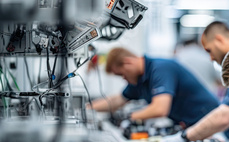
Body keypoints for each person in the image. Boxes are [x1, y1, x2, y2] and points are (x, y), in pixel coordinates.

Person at [156, 22, 229, 142]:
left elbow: (225, 117)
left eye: (209, 50)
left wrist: (184, 137)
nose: (211, 58)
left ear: (219, 39)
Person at [89, 47, 219, 126]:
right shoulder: (138, 80)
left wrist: (129, 117)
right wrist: (87, 108)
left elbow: (160, 108)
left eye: (122, 74)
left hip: (211, 121)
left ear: (127, 62)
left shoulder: (160, 68)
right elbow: (117, 100)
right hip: (190, 124)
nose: (124, 79)